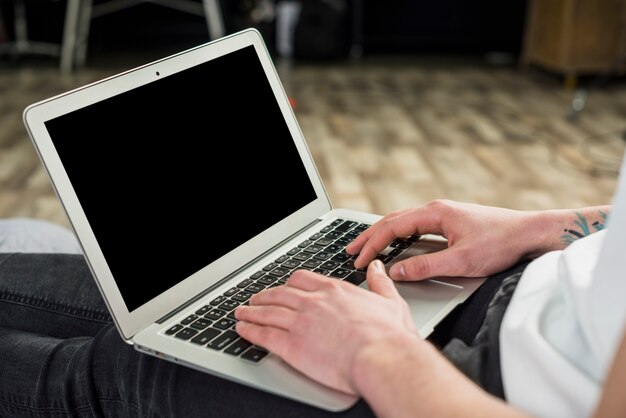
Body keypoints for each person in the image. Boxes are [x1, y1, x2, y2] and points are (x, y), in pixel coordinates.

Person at [0, 199, 624, 417]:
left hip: (462, 391)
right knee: (148, 304)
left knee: (115, 374)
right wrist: (545, 227)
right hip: (517, 282)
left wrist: (379, 353)